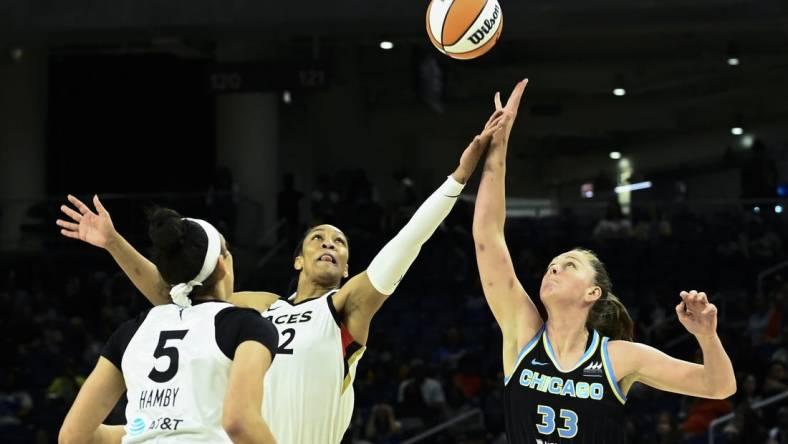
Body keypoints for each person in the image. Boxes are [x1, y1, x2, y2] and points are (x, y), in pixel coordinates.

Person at [56, 109, 507, 444]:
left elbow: (407, 243)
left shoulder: (344, 309)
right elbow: (176, 292)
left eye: (340, 242)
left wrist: (459, 175)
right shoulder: (257, 308)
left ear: (349, 267)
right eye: (318, 238)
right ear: (297, 260)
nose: (329, 244)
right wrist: (115, 242)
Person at [472, 79, 736, 443]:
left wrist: (707, 337)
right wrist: (499, 145)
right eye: (553, 263)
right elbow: (488, 235)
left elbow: (720, 386)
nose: (555, 268)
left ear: (592, 292)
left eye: (569, 265)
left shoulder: (619, 358)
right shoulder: (522, 333)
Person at [58, 209, 279, 443]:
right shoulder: (248, 325)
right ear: (223, 264)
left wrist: (148, 430)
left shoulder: (131, 331)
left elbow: (72, 436)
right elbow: (239, 422)